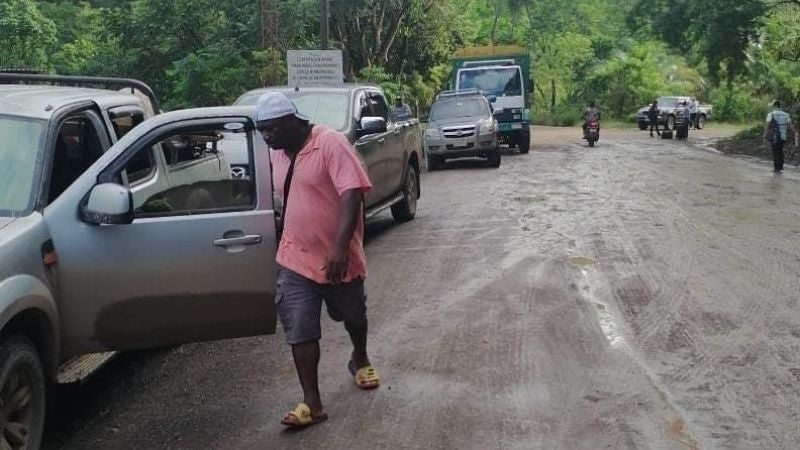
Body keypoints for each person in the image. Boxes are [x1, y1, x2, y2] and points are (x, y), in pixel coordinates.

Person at [254, 91, 378, 428]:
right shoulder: (275, 152)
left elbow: (351, 193)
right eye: (261, 130)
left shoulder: (330, 143)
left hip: (337, 255)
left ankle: (360, 357)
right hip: (295, 256)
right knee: (299, 326)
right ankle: (313, 402)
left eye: (270, 130)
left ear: (291, 121)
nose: (266, 137)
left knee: (352, 313)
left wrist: (339, 248)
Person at [763, 100, 799, 173]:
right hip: (783, 136)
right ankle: (780, 167)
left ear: (775, 106)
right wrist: (795, 132)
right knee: (780, 150)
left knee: (775, 151)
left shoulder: (771, 114)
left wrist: (764, 134)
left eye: (773, 106)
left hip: (774, 136)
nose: (772, 107)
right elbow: (790, 125)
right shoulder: (786, 114)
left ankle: (777, 168)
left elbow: (767, 125)